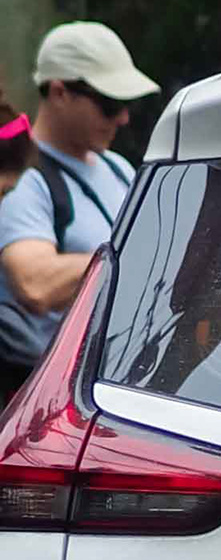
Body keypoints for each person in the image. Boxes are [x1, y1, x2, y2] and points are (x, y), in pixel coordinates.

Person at [0, 22, 155, 383]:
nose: (123, 117)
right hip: (62, 394)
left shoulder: (116, 166)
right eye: (109, 103)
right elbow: (35, 284)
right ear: (59, 92)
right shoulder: (22, 178)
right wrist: (130, 253)